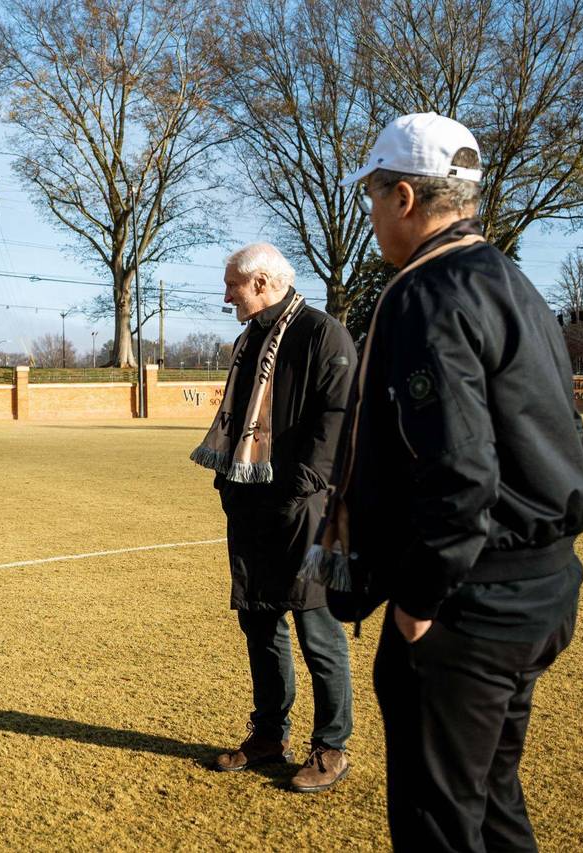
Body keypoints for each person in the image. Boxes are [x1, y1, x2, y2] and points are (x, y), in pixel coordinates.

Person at [332, 113, 583, 849]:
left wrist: (420, 600)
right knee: (493, 803)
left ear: (405, 198)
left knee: (439, 824)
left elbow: (460, 469)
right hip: (541, 585)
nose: (372, 214)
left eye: (374, 196)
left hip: (471, 604)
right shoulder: (512, 279)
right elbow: (568, 430)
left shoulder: (429, 292)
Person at [191, 243, 358, 793]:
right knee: (259, 622)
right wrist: (229, 484)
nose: (226, 296)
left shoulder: (322, 333)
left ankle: (331, 746)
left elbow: (339, 415)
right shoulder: (249, 339)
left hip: (311, 508)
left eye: (232, 285)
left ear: (260, 282)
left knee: (318, 625)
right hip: (251, 501)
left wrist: (303, 483)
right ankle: (269, 735)